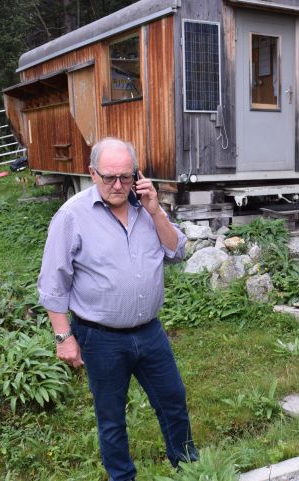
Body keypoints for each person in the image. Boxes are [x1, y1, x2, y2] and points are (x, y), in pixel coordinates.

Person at [38, 137, 197, 480]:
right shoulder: (72, 216)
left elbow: (176, 251)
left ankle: (189, 468)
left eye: (126, 177)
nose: (118, 185)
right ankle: (122, 477)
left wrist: (155, 211)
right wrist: (63, 336)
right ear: (92, 173)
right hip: (101, 338)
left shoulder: (146, 208)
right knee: (111, 418)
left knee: (173, 401)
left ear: (136, 174)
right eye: (109, 177)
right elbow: (53, 283)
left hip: (150, 332)